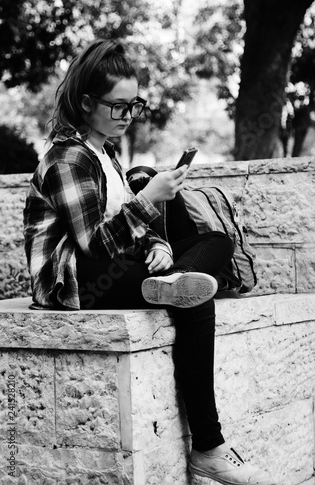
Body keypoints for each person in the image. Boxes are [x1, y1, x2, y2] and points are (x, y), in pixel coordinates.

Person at [23, 39, 274, 485]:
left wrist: (156, 245)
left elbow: (127, 229)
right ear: (85, 102)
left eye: (133, 105)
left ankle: (171, 276)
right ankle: (209, 449)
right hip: (77, 282)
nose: (128, 116)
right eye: (118, 106)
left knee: (215, 242)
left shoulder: (107, 154)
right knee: (196, 298)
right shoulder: (67, 158)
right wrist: (148, 198)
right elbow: (94, 247)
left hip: (116, 269)